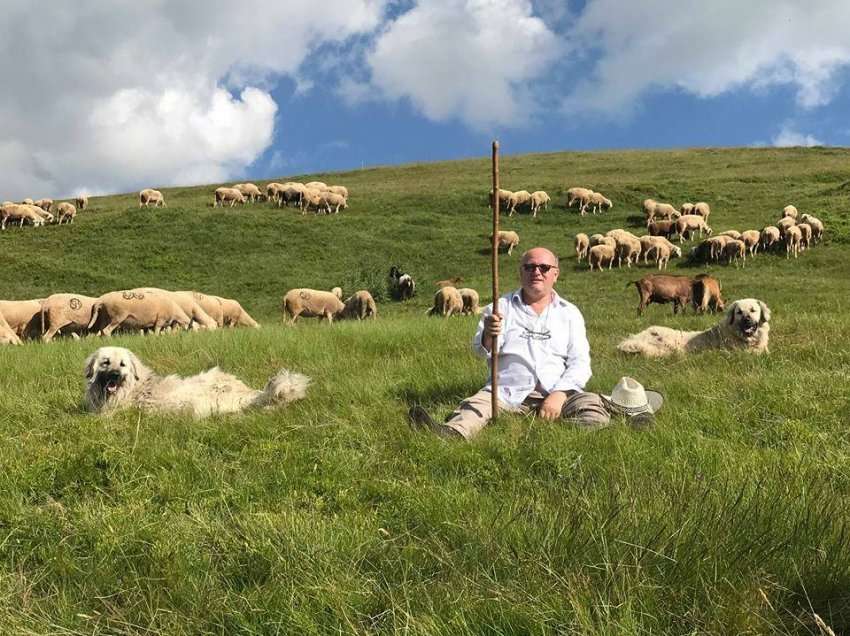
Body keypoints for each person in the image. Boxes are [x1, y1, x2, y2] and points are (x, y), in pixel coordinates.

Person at [410, 246, 616, 440]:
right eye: (529, 267)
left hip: (559, 392)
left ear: (556, 274)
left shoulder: (570, 313)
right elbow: (481, 350)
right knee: (477, 405)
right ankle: (450, 433)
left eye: (544, 267)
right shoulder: (499, 308)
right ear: (521, 272)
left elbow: (580, 363)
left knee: (589, 404)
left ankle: (595, 437)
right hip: (506, 392)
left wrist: (559, 394)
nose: (536, 271)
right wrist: (489, 335)